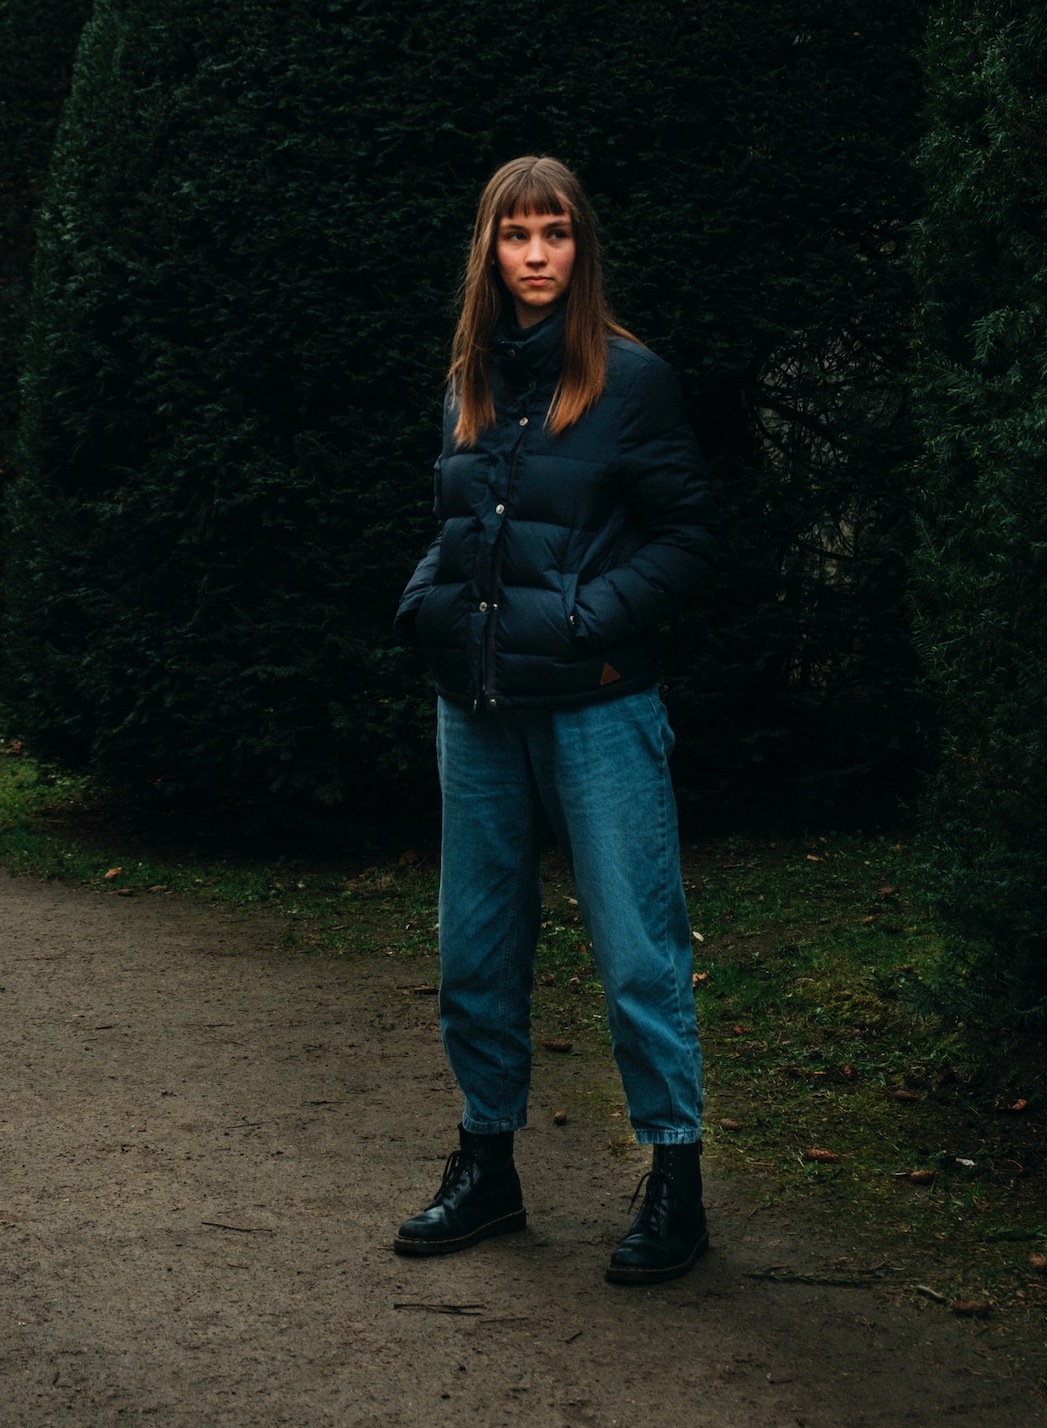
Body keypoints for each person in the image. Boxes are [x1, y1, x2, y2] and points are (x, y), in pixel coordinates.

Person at [392, 155, 721, 1285]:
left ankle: (676, 1185)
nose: (536, 254)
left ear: (582, 248)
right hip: (476, 709)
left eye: (557, 233)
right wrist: (427, 601)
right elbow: (461, 522)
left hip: (597, 708)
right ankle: (489, 1171)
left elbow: (689, 537)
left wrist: (591, 621)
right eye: (516, 234)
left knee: (637, 948)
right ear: (489, 249)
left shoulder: (632, 381)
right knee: (475, 951)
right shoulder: (467, 378)